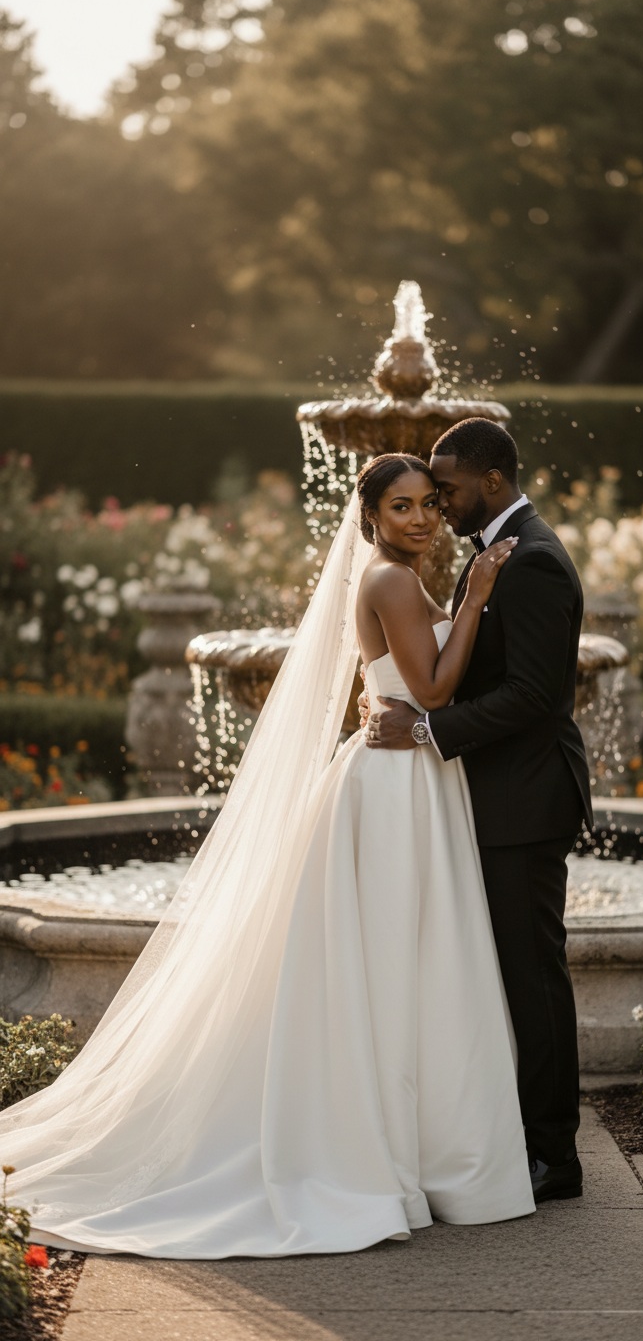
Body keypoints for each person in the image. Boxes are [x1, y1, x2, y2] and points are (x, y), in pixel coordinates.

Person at [0, 452, 535, 1259]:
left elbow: (404, 684)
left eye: (429, 503)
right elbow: (430, 691)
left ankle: (407, 1143)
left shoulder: (398, 576)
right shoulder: (390, 581)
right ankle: (390, 1149)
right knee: (398, 962)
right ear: (370, 520)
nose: (421, 519)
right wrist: (479, 599)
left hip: (409, 775)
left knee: (401, 962)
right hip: (394, 787)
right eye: (402, 507)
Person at [366, 419, 593, 1204]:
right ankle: (516, 1134)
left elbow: (534, 695)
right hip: (493, 795)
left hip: (525, 800)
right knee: (507, 972)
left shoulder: (528, 561)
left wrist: (427, 728)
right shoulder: (494, 553)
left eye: (447, 491)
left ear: (490, 482)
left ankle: (554, 1154)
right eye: (419, 497)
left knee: (532, 975)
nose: (437, 506)